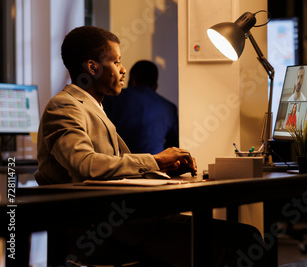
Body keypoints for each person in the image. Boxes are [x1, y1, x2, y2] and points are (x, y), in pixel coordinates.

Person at [35, 26, 262, 266]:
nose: (123, 70)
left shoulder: (95, 107)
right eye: (117, 62)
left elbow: (115, 171)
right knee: (245, 243)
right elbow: (86, 165)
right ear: (93, 68)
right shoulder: (64, 106)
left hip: (128, 222)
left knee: (247, 236)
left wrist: (163, 170)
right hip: (103, 233)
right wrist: (155, 160)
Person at [103, 60, 179, 154]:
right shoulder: (169, 108)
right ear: (155, 86)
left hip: (121, 164)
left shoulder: (111, 98)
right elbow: (173, 148)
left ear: (132, 79)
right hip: (156, 165)